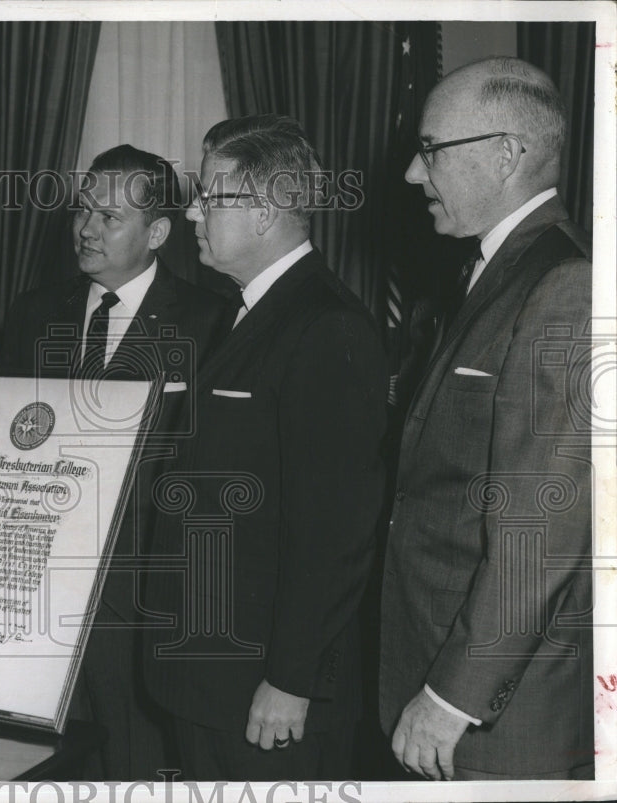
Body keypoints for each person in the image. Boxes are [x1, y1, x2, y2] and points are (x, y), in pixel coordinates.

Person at [142, 115, 388, 780]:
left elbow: (335, 535)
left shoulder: (326, 326)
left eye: (210, 196)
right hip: (212, 679)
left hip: (265, 696)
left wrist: (293, 678)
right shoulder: (243, 312)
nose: (193, 211)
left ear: (268, 210)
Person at [379, 56, 594, 781]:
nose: (413, 173)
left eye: (431, 149)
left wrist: (450, 696)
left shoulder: (564, 285)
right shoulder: (487, 273)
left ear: (507, 154)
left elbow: (542, 526)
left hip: (492, 719)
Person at [0, 144, 226, 779]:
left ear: (157, 233)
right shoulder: (32, 313)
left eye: (110, 218)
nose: (87, 230)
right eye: (83, 211)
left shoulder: (213, 323)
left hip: (142, 605)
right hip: (37, 599)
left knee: (136, 766)